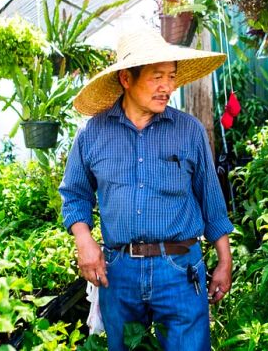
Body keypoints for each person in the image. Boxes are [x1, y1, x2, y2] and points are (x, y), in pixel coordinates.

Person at [60, 26, 234, 350]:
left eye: (171, 76)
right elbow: (75, 195)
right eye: (157, 76)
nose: (167, 86)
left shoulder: (189, 131)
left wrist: (225, 260)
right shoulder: (93, 134)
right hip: (119, 270)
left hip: (180, 269)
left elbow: (211, 200)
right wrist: (83, 239)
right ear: (127, 78)